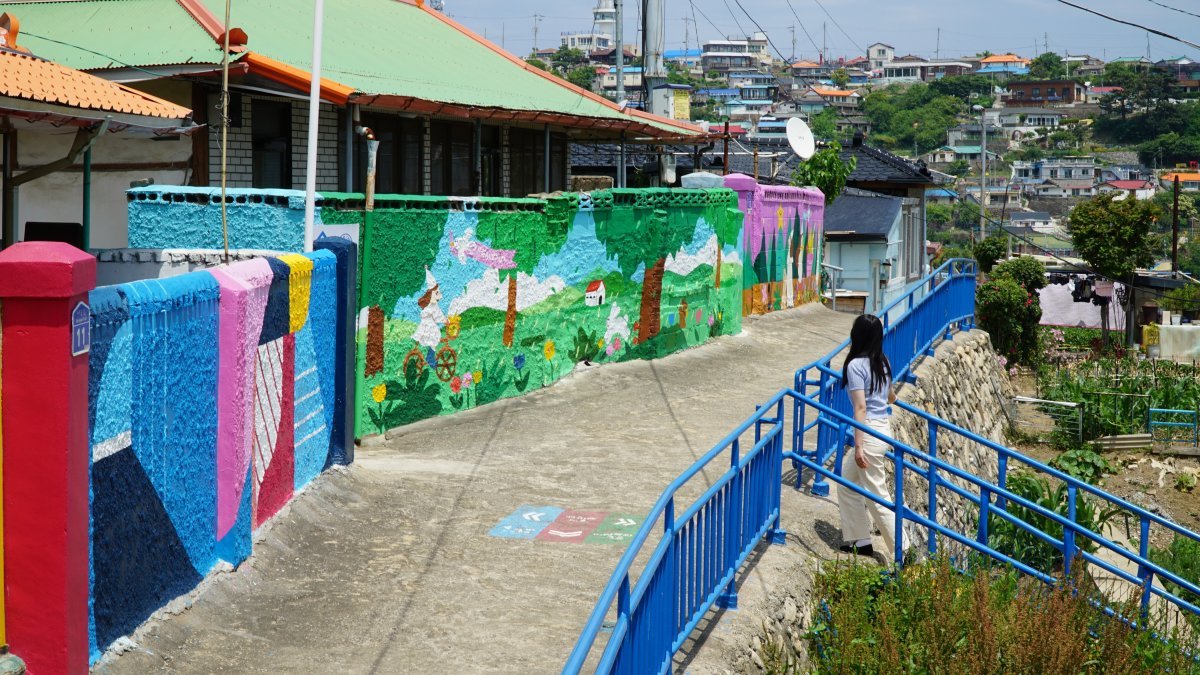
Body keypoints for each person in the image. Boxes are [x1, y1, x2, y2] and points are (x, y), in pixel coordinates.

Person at [837, 313, 900, 558]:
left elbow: (860, 408)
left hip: (870, 434)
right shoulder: (882, 361)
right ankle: (859, 540)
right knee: (847, 482)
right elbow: (891, 396)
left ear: (857, 336)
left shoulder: (855, 365)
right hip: (882, 428)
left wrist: (859, 446)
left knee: (878, 497)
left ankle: (904, 550)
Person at [412, 268, 446, 363]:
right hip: (429, 325)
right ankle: (430, 358)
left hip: (424, 325)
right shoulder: (433, 306)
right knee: (435, 337)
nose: (440, 296)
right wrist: (445, 321)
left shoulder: (428, 305)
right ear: (432, 293)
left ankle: (424, 356)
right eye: (437, 293)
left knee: (428, 339)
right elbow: (438, 315)